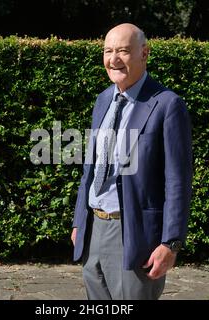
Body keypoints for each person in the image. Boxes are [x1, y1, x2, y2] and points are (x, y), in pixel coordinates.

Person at [70, 23, 193, 300]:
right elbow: (90, 168)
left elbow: (178, 181)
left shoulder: (167, 104)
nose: (114, 59)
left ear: (144, 53)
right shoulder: (103, 100)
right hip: (94, 230)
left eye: (123, 51)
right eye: (108, 51)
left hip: (135, 234)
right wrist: (80, 221)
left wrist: (170, 243)